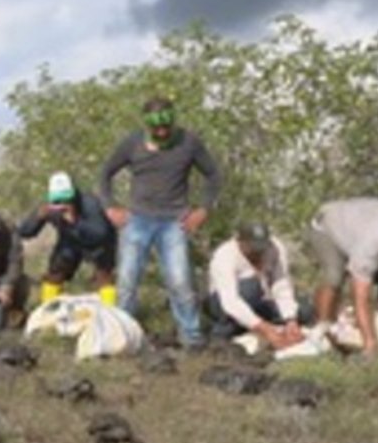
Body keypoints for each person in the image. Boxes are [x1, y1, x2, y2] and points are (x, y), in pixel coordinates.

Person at [99, 96, 224, 349]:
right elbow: (105, 174)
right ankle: (123, 336)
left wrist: (203, 209)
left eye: (166, 127)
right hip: (137, 220)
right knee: (127, 282)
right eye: (156, 128)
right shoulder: (132, 143)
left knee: (180, 281)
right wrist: (110, 206)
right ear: (147, 125)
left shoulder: (189, 142)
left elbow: (213, 175)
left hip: (174, 222)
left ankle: (191, 336)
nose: (162, 132)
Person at [18, 172, 118, 306]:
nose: (63, 204)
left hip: (100, 243)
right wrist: (38, 217)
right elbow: (25, 232)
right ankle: (49, 311)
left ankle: (110, 313)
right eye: (57, 201)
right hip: (70, 242)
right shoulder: (49, 207)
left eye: (67, 200)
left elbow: (101, 233)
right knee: (54, 275)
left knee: (104, 277)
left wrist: (74, 221)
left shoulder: (90, 203)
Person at [206, 222, 306, 349]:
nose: (258, 252)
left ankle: (253, 326)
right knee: (252, 287)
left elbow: (281, 284)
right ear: (240, 241)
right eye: (253, 248)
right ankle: (224, 331)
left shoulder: (274, 248)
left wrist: (291, 320)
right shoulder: (224, 256)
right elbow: (230, 301)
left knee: (304, 311)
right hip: (224, 303)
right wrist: (265, 329)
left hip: (261, 300)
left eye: (262, 248)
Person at [306, 197, 378, 357]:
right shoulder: (370, 247)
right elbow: (360, 297)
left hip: (358, 222)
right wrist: (370, 344)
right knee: (334, 275)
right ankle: (324, 329)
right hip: (326, 226)